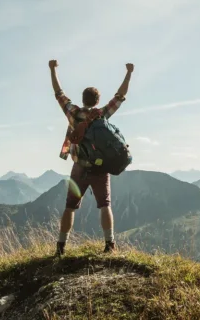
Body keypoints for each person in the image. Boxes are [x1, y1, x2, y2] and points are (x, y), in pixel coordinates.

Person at [48, 59, 134, 256]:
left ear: (83, 98)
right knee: (105, 205)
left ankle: (61, 247)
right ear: (97, 100)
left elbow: (58, 93)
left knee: (70, 207)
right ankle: (109, 244)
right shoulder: (101, 115)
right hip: (100, 168)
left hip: (78, 168)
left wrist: (53, 69)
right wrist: (128, 73)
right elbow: (120, 96)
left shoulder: (73, 113)